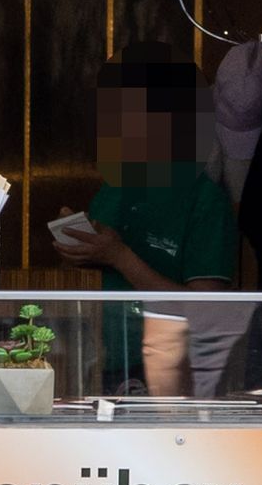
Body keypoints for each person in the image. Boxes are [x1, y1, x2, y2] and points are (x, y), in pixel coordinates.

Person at [52, 62, 240, 389]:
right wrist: (79, 245)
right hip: (99, 359)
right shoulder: (117, 185)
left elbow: (206, 309)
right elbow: (99, 264)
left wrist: (119, 256)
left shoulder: (205, 201)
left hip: (169, 366)